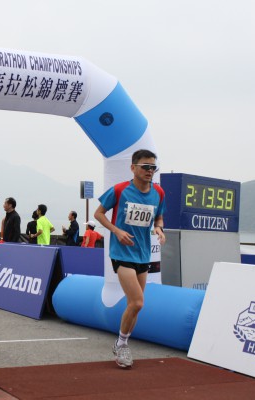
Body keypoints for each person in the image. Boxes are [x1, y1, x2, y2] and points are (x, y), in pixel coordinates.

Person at [93, 149, 166, 368]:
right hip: (121, 253)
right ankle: (122, 344)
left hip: (143, 255)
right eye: (145, 167)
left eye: (153, 167)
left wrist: (159, 228)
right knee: (137, 302)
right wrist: (116, 231)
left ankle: (122, 342)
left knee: (134, 306)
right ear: (133, 167)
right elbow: (98, 214)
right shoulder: (120, 190)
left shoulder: (159, 192)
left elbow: (159, 217)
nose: (150, 171)